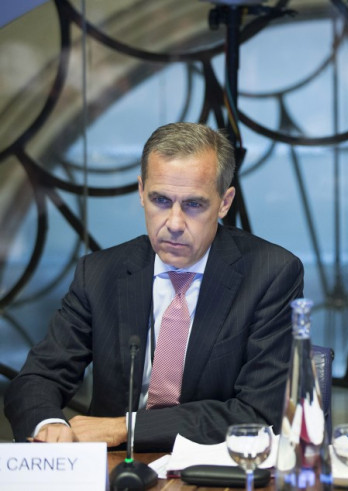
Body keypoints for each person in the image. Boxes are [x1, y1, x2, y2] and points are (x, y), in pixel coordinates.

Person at [4, 122, 304, 451]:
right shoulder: (100, 273)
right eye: (160, 200)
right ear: (141, 192)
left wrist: (125, 428)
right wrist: (50, 425)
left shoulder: (271, 274)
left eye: (193, 204)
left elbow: (260, 414)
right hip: (117, 471)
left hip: (215, 472)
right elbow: (36, 379)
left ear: (225, 202)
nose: (174, 223)